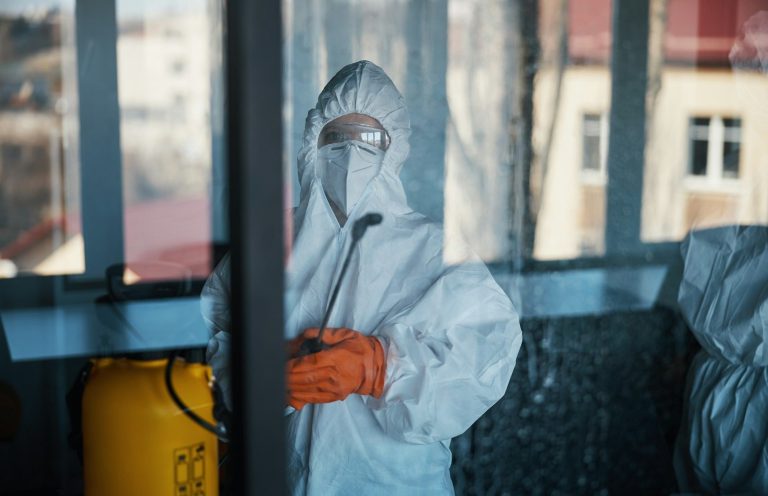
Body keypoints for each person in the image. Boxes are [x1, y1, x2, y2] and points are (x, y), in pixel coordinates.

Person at [202, 60, 522, 495]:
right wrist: (262, 376)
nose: (352, 154)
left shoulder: (433, 249)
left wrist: (380, 368)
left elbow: (484, 357)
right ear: (313, 142)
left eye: (370, 140)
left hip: (393, 482)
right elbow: (216, 344)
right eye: (337, 137)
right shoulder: (267, 244)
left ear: (395, 150)